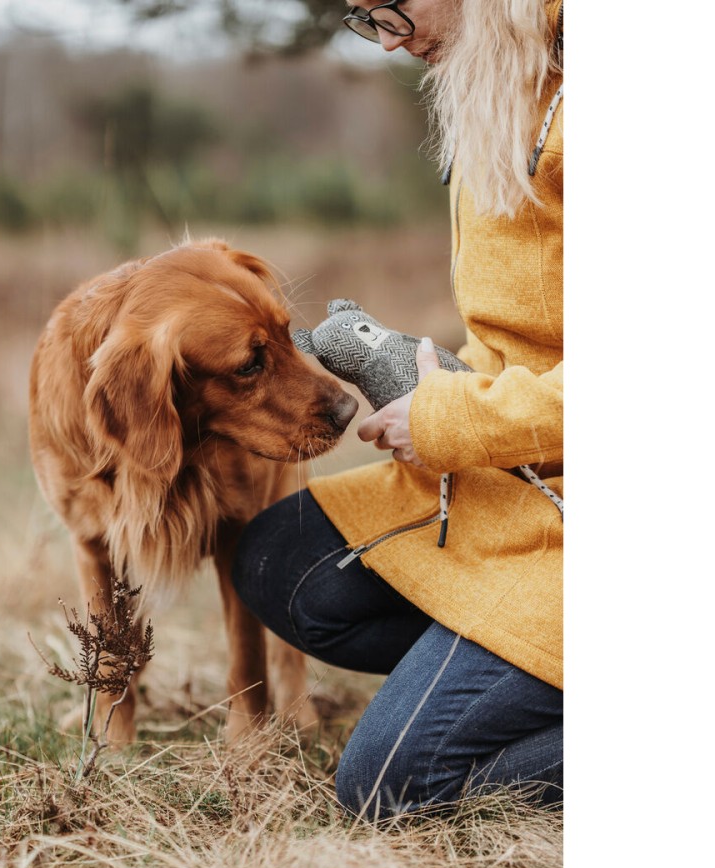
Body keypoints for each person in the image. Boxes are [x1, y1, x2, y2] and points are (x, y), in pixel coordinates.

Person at [232, 0, 564, 820]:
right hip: (527, 473)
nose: (388, 39)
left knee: (387, 784)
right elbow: (535, 330)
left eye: (393, 7)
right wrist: (428, 375)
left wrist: (454, 420)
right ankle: (504, 662)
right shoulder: (510, 85)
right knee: (281, 564)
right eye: (360, 17)